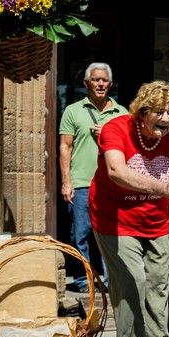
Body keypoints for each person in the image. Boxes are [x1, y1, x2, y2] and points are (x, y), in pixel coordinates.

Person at [90, 81, 169, 337]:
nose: (167, 119)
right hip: (116, 218)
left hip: (155, 219)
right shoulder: (116, 128)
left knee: (159, 283)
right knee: (132, 280)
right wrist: (162, 189)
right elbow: (115, 171)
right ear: (143, 112)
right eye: (159, 111)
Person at [58, 62, 127, 292]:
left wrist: (109, 133)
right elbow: (65, 147)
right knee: (81, 235)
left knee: (111, 235)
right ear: (86, 83)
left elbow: (130, 147)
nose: (100, 84)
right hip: (81, 184)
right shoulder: (73, 110)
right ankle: (83, 281)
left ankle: (109, 281)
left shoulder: (123, 113)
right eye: (95, 80)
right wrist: (66, 182)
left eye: (104, 80)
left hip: (113, 183)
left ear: (110, 84)